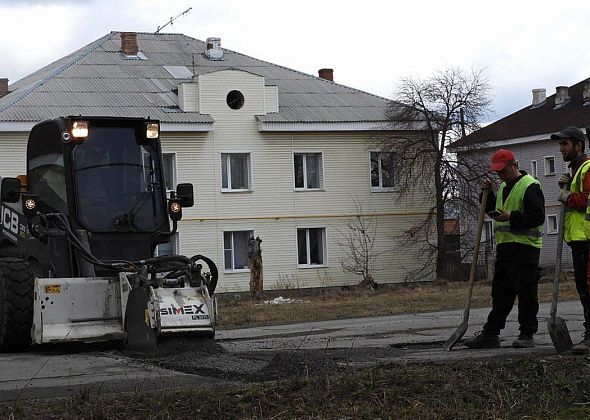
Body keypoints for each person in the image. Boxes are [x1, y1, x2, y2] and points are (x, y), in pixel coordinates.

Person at [464, 149, 545, 349]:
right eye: (497, 172)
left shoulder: (530, 186)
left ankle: (527, 333)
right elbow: (494, 212)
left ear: (513, 165)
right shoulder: (502, 188)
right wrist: (487, 195)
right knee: (501, 293)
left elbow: (537, 217)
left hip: (525, 249)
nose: (500, 175)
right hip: (505, 249)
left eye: (503, 171)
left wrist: (512, 217)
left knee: (526, 293)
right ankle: (491, 332)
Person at [552, 126, 590, 354]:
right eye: (560, 145)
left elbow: (587, 199)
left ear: (578, 146)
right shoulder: (576, 171)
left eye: (565, 144)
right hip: (578, 239)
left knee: (588, 286)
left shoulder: (587, 168)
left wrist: (569, 196)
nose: (561, 149)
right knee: (583, 288)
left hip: (587, 239)